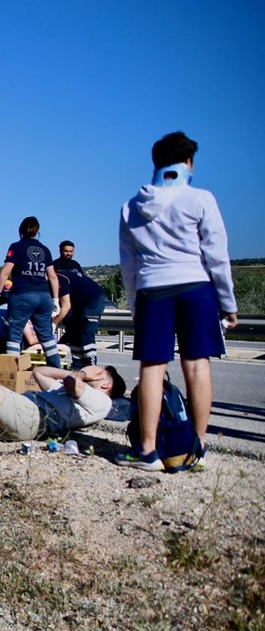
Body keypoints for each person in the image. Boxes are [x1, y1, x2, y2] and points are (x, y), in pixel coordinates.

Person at [116, 131, 237, 471]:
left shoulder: (130, 207)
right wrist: (228, 303)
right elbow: (217, 255)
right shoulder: (200, 199)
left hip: (153, 288)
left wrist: (135, 305)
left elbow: (129, 266)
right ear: (188, 163)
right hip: (196, 286)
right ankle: (196, 446)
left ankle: (148, 451)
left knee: (152, 367)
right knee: (197, 364)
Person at [0, 216, 62, 368]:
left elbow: (6, 272)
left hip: (23, 295)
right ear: (37, 231)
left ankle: (12, 372)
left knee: (14, 334)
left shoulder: (16, 247)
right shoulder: (45, 250)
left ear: (20, 231)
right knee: (46, 336)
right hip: (44, 296)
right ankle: (56, 371)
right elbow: (52, 276)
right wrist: (56, 299)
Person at [56, 267, 107, 368]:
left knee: (86, 332)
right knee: (73, 331)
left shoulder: (59, 278)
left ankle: (90, 366)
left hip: (93, 299)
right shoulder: (55, 278)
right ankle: (77, 364)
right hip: (78, 303)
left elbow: (66, 306)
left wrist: (53, 323)